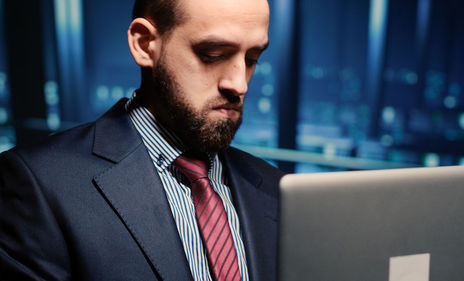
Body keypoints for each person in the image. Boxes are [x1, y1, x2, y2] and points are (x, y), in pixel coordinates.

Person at [0, 0, 283, 280]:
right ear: (144, 44)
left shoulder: (277, 188)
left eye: (251, 59)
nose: (239, 84)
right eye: (213, 54)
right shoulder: (39, 183)